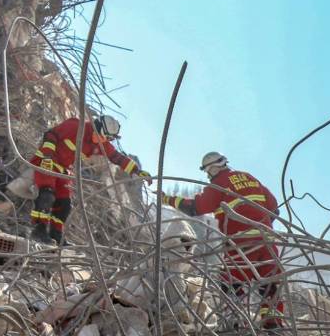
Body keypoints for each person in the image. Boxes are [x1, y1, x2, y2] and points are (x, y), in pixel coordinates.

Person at [161, 152, 285, 330]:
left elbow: (197, 207)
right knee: (271, 286)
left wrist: (167, 199)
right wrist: (260, 228)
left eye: (207, 172)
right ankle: (274, 327)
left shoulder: (219, 184)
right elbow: (274, 207)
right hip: (267, 242)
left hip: (241, 242)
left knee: (231, 285)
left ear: (211, 169)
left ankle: (234, 326)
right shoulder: (249, 178)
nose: (208, 175)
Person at [29, 113, 151, 244]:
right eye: (103, 137)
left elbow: (116, 157)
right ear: (97, 128)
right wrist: (47, 156)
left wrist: (137, 171)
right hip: (46, 160)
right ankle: (39, 230)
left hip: (62, 169)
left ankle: (56, 235)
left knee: (64, 204)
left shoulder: (100, 143)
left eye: (107, 139)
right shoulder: (75, 126)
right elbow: (50, 134)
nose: (103, 141)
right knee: (47, 195)